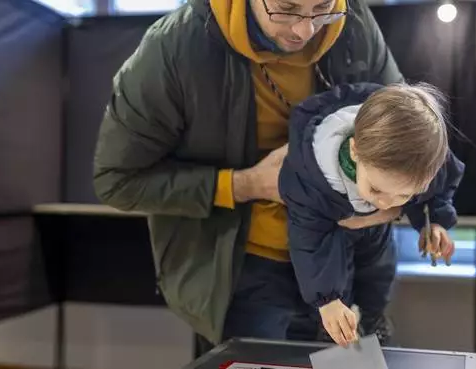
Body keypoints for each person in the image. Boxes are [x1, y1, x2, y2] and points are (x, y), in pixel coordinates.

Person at [92, 0, 404, 353]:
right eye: (286, 9)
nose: (305, 30)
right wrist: (244, 184)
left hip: (346, 265)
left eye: (323, 8)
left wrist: (391, 204)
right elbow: (116, 180)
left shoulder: (355, 24)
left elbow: (409, 135)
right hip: (245, 275)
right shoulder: (174, 47)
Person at [279, 82, 465, 347]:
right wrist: (326, 300)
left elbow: (441, 186)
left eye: (403, 196)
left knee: (380, 271)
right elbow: (307, 241)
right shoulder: (311, 179)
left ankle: (373, 317)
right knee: (333, 275)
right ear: (355, 151)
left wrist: (434, 221)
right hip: (328, 234)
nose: (386, 203)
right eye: (376, 188)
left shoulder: (423, 161)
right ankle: (330, 327)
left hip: (375, 236)